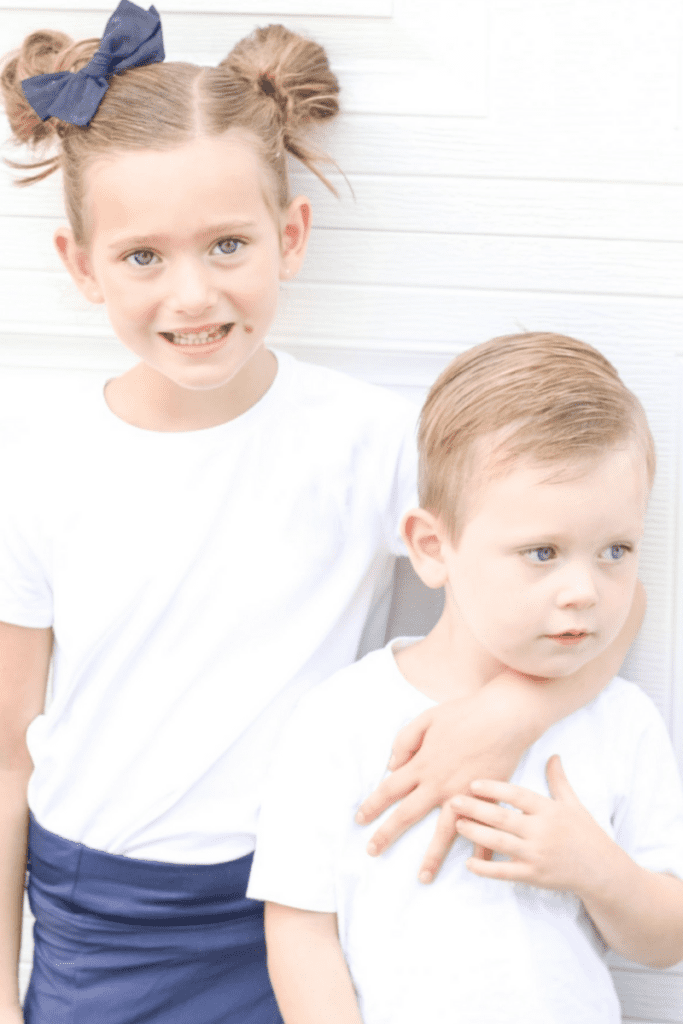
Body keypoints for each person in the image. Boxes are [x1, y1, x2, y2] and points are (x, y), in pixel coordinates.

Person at [0, 1, 644, 1019]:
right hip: (99, 910)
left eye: (225, 244)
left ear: (288, 235)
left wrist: (504, 715)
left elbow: (591, 592)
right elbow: (7, 747)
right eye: (141, 257)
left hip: (307, 898)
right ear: (80, 265)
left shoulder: (369, 444)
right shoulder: (40, 467)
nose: (191, 295)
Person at [249, 332, 683, 1024]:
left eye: (614, 550)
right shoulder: (344, 718)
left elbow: (666, 939)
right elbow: (301, 929)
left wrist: (593, 868)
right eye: (541, 552)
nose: (584, 591)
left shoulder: (620, 719)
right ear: (432, 547)